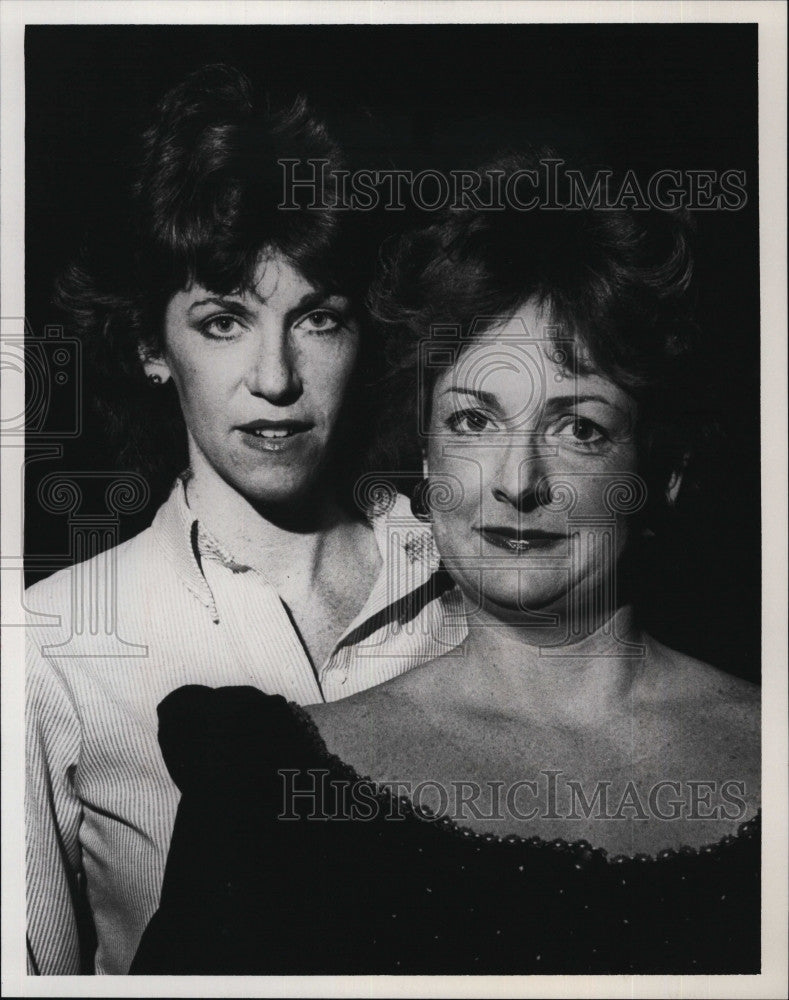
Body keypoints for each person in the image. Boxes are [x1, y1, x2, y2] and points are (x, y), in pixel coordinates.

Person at [130, 152, 761, 975]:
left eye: (579, 429)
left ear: (662, 472)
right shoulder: (268, 795)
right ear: (425, 458)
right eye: (471, 421)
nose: (516, 481)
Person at [25, 65, 465, 975]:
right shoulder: (52, 646)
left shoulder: (468, 585)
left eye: (318, 320)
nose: (275, 379)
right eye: (223, 321)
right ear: (152, 344)